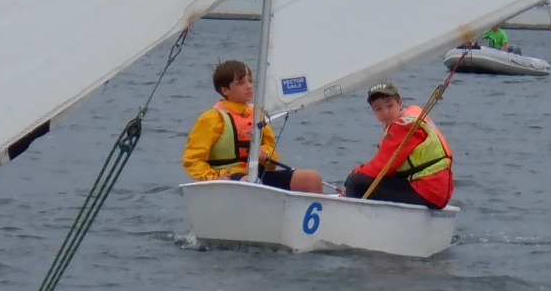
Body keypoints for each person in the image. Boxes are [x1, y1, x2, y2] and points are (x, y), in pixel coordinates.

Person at [180, 60, 323, 192]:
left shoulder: (257, 114)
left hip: (257, 175)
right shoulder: (212, 118)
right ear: (225, 90)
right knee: (250, 183)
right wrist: (213, 177)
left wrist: (264, 153)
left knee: (312, 179)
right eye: (241, 83)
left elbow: (272, 156)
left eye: (250, 80)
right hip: (227, 178)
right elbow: (192, 160)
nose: (249, 86)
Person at [342, 83, 453, 208]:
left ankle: (355, 222)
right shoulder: (412, 115)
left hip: (427, 191)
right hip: (433, 189)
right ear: (373, 111)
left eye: (390, 105)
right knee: (365, 180)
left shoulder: (405, 125)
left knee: (355, 182)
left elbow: (382, 166)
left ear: (400, 103)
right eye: (378, 108)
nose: (385, 112)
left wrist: (354, 173)